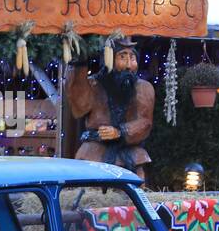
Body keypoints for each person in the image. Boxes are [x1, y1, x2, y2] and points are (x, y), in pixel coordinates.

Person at [66, 37, 155, 180]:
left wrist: (120, 132)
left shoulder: (143, 88)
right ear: (109, 59)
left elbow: (145, 122)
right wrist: (78, 65)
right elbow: (79, 108)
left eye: (132, 58)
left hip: (130, 156)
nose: (128, 65)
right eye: (122, 57)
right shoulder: (94, 85)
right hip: (94, 154)